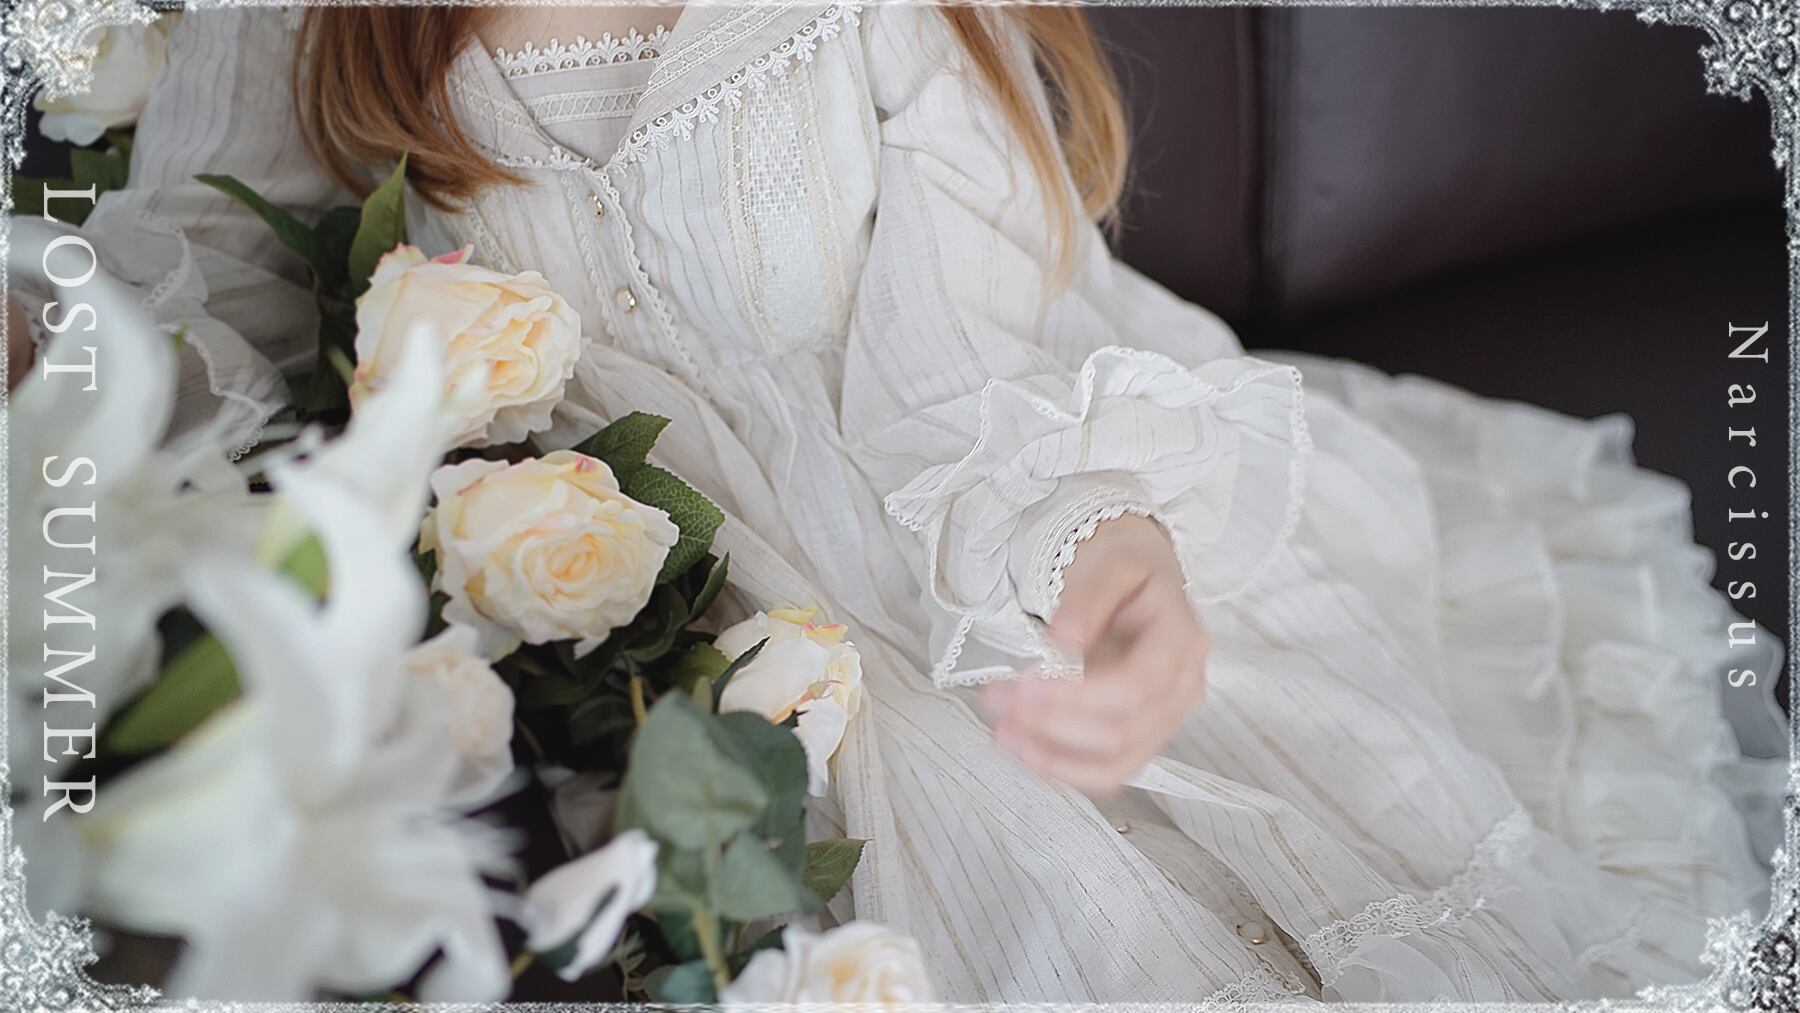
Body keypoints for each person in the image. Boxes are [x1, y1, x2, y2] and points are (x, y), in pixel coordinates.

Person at [6, 3, 1785, 1002]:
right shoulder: (317, 24)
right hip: (619, 639)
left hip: (944, 557)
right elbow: (217, 310)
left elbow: (986, 346)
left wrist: (1102, 551)